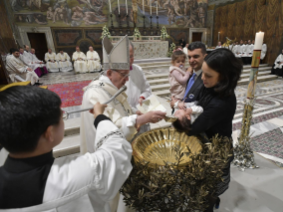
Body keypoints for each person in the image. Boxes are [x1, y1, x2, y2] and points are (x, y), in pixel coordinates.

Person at [0, 86, 133, 211]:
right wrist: (100, 116)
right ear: (49, 133)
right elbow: (118, 151)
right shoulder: (80, 174)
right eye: (62, 117)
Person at [80, 36, 166, 212]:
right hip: (105, 165)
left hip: (120, 160)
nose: (128, 79)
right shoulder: (95, 94)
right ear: (109, 72)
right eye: (124, 74)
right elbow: (110, 130)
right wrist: (141, 119)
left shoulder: (113, 88)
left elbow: (122, 112)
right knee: (110, 204)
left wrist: (136, 114)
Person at [188, 48, 242, 211]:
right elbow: (195, 99)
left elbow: (193, 128)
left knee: (206, 193)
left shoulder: (221, 103)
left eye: (208, 75)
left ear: (224, 76)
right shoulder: (211, 84)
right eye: (203, 73)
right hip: (205, 143)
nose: (203, 78)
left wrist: (183, 116)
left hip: (215, 152)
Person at [125, 43, 152, 114]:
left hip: (141, 110)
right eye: (126, 56)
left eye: (131, 56)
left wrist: (142, 97)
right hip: (125, 115)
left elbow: (147, 90)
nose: (129, 60)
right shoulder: (115, 74)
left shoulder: (138, 70)